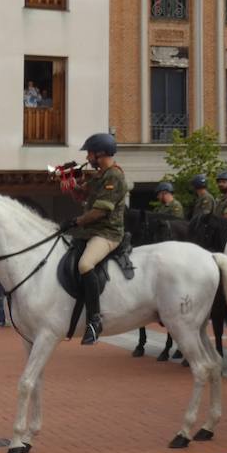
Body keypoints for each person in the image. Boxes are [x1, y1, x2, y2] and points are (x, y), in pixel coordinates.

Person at [62, 133, 128, 345]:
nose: (87, 157)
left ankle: (95, 320)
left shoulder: (114, 177)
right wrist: (69, 182)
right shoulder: (99, 176)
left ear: (100, 153)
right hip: (90, 232)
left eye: (90, 153)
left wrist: (76, 221)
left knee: (85, 264)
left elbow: (101, 211)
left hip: (107, 232)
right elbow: (82, 195)